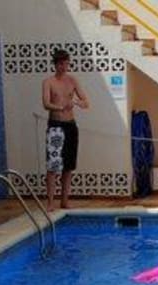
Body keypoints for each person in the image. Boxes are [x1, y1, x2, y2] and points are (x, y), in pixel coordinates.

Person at [42, 49, 90, 211]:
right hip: (56, 125)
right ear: (55, 64)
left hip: (70, 125)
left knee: (69, 166)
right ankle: (50, 202)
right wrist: (61, 107)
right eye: (61, 64)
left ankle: (64, 201)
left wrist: (75, 102)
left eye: (67, 64)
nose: (64, 67)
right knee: (53, 165)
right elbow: (46, 104)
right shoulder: (48, 82)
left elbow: (86, 103)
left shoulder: (72, 80)